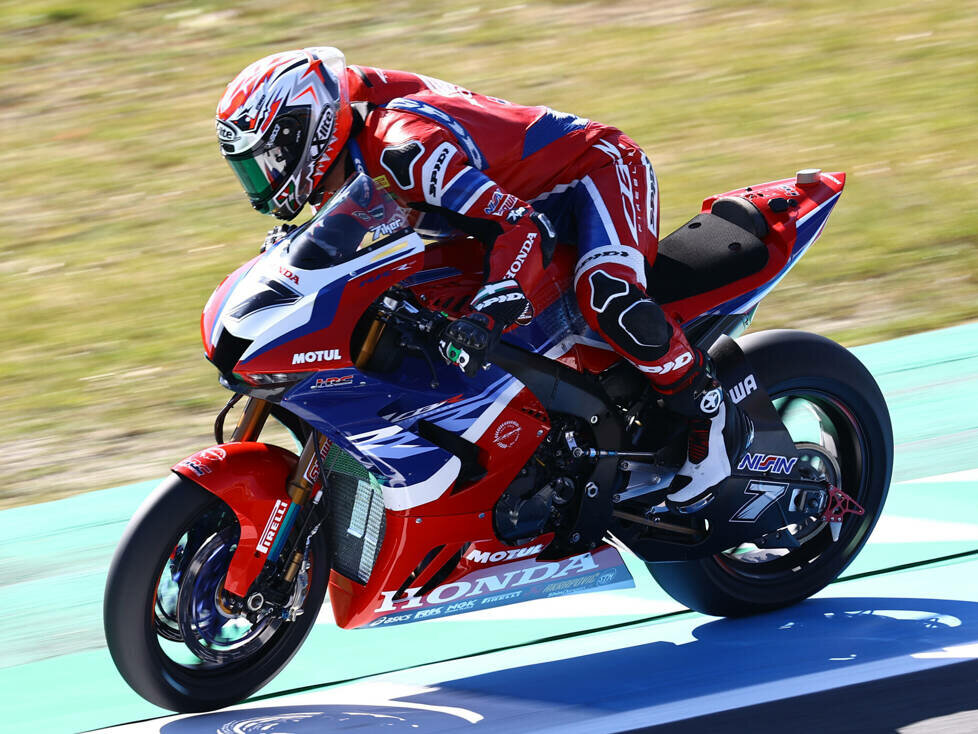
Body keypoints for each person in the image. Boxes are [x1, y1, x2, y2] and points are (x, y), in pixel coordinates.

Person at [214, 47, 750, 513]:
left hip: (591, 174)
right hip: (507, 205)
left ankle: (707, 410)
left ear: (306, 134)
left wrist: (490, 312)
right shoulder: (345, 141)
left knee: (606, 292)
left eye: (266, 160)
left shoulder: (407, 151)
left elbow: (519, 224)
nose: (261, 179)